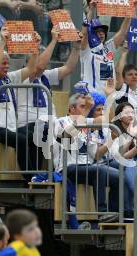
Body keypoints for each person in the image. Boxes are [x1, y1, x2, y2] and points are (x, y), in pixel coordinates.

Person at [0, 26, 40, 179]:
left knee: (36, 137)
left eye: (8, 63)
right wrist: (2, 43)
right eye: (3, 63)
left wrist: (35, 47)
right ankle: (30, 178)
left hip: (9, 129)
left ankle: (37, 176)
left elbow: (31, 69)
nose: (6, 66)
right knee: (22, 140)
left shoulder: (9, 78)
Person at [53, 92, 126, 222]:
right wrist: (87, 110)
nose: (85, 109)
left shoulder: (87, 125)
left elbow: (97, 154)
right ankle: (102, 213)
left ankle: (113, 216)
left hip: (87, 167)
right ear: (71, 108)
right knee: (100, 169)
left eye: (86, 107)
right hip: (67, 167)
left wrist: (110, 97)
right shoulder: (60, 121)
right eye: (82, 106)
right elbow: (66, 136)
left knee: (119, 177)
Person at [18, 26, 81, 171]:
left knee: (70, 130)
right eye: (39, 56)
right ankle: (57, 172)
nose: (43, 61)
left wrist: (77, 47)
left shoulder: (45, 76)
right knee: (49, 130)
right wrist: (54, 40)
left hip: (48, 123)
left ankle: (69, 169)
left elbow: (69, 68)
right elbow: (39, 66)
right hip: (28, 123)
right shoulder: (23, 75)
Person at [80, 0, 137, 92]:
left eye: (103, 31)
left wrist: (130, 11)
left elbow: (122, 32)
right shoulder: (86, 49)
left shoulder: (107, 48)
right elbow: (84, 33)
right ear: (92, 34)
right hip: (91, 97)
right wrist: (91, 10)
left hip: (109, 96)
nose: (101, 34)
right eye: (97, 32)